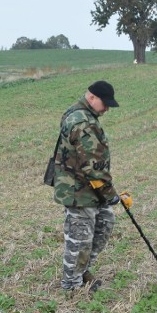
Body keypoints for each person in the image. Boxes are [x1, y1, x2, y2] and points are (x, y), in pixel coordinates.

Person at [53, 81, 131, 293]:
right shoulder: (82, 122)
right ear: (92, 98)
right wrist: (111, 194)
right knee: (79, 239)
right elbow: (92, 167)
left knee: (105, 222)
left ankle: (82, 270)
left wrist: (107, 194)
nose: (106, 109)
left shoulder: (86, 117)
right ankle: (72, 286)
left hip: (91, 189)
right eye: (105, 104)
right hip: (78, 191)